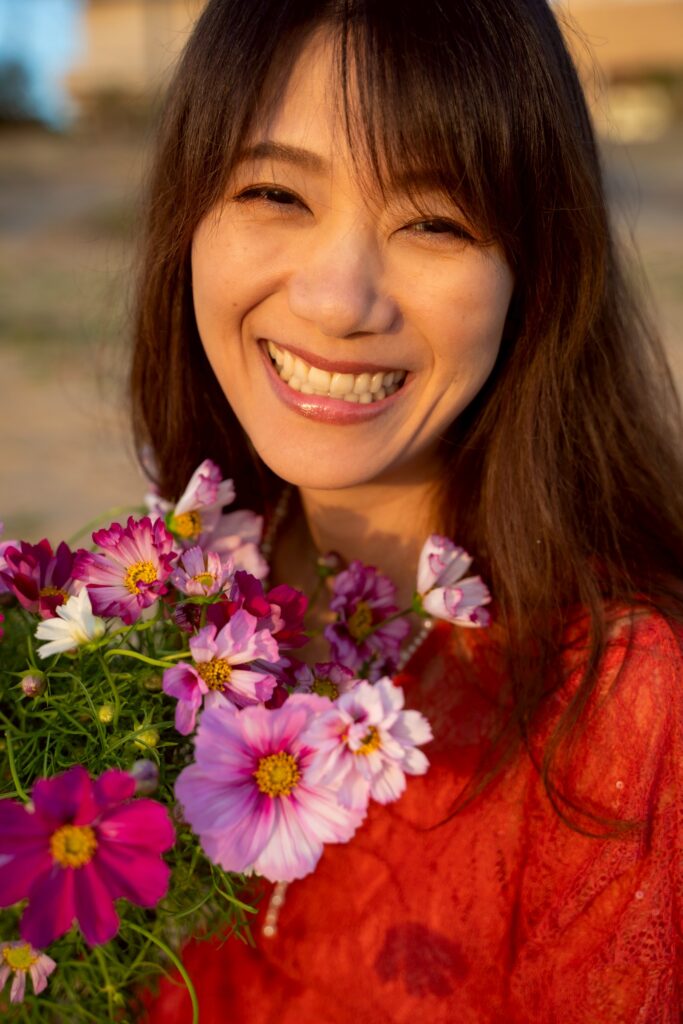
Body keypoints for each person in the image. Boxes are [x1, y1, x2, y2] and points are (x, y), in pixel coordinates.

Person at [135, 0, 683, 1020]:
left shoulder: (614, 701)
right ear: (187, 221)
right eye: (274, 193)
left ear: (534, 274)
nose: (340, 300)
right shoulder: (149, 618)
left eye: (435, 221)